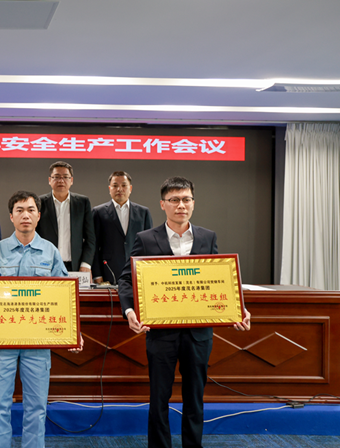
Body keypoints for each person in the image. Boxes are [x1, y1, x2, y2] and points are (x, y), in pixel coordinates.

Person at [117, 177, 251, 448]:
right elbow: (126, 279)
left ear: (193, 203)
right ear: (163, 204)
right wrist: (129, 310)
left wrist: (239, 309)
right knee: (159, 398)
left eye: (186, 199)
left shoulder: (207, 237)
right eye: (175, 200)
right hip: (160, 334)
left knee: (195, 397)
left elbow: (218, 280)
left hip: (198, 334)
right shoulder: (146, 239)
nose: (181, 205)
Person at [0, 191, 83, 448]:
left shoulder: (50, 252)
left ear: (38, 215)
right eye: (19, 210)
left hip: (37, 343)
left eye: (31, 210)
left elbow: (65, 296)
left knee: (36, 406)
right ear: (11, 216)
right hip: (1, 342)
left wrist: (74, 330)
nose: (25, 215)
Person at [92, 171, 153, 285]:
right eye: (115, 186)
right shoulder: (98, 212)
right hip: (108, 272)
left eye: (124, 185)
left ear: (130, 188)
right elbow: (93, 245)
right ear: (109, 189)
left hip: (137, 271)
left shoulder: (143, 212)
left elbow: (149, 246)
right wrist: (97, 274)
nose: (119, 189)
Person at [36, 161, 95, 273]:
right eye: (56, 177)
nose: (61, 180)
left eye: (65, 177)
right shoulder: (40, 202)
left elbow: (90, 238)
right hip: (46, 265)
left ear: (71, 180)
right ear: (49, 180)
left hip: (75, 266)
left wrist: (86, 264)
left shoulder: (82, 202)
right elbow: (34, 236)